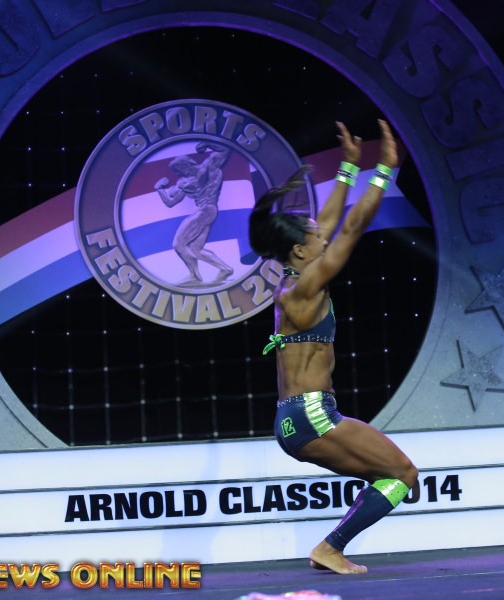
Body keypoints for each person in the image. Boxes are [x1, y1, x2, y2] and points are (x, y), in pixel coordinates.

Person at [248, 120, 418, 574]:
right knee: (403, 475)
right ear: (301, 252)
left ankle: (330, 548)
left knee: (394, 477)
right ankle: (329, 548)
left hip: (297, 417)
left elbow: (326, 224)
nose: (323, 236)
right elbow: (352, 228)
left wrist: (348, 167)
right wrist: (385, 170)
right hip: (313, 416)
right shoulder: (306, 289)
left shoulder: (294, 277)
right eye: (315, 239)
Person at [154, 142, 234, 286]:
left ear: (185, 166)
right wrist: (160, 190)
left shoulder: (207, 167)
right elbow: (171, 203)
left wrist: (207, 143)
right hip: (210, 211)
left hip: (203, 211)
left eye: (178, 171)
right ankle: (225, 269)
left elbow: (225, 150)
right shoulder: (187, 179)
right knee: (196, 250)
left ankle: (195, 276)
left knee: (178, 244)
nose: (178, 174)